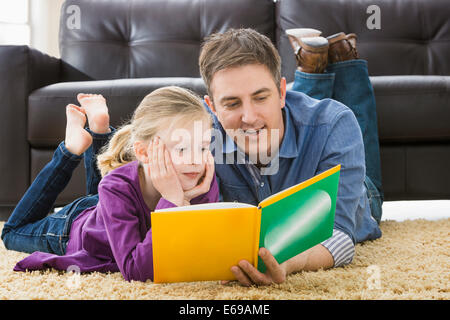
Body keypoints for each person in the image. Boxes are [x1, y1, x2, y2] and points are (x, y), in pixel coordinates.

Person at [199, 28, 383, 286]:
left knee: (349, 118)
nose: (249, 116)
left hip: (362, 196)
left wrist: (290, 261)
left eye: (261, 97)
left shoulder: (335, 124)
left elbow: (341, 236)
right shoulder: (199, 139)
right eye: (232, 104)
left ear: (282, 92)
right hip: (302, 120)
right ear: (211, 107)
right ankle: (316, 61)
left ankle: (344, 60)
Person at [1, 87, 218, 282]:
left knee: (106, 192)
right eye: (182, 149)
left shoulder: (199, 178)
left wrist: (190, 203)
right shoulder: (116, 187)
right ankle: (71, 149)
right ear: (143, 152)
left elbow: (200, 250)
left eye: (202, 148)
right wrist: (173, 203)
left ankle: (99, 129)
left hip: (109, 208)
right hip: (74, 227)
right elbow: (138, 271)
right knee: (11, 233)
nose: (196, 160)